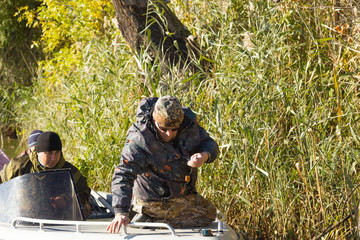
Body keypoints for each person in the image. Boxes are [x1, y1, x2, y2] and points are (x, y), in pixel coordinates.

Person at [107, 96, 219, 233]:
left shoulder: (188, 125)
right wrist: (121, 212)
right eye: (164, 128)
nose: (169, 134)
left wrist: (204, 155)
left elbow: (209, 143)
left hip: (180, 195)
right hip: (152, 199)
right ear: (155, 120)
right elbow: (123, 174)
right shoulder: (140, 139)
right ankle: (150, 217)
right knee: (207, 213)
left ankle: (154, 219)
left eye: (174, 129)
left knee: (209, 212)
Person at [0, 131, 91, 218]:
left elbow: (84, 192)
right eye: (48, 153)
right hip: (21, 220)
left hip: (58, 222)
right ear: (38, 152)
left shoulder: (70, 170)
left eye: (57, 153)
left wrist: (65, 199)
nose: (53, 158)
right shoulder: (18, 166)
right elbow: (2, 181)